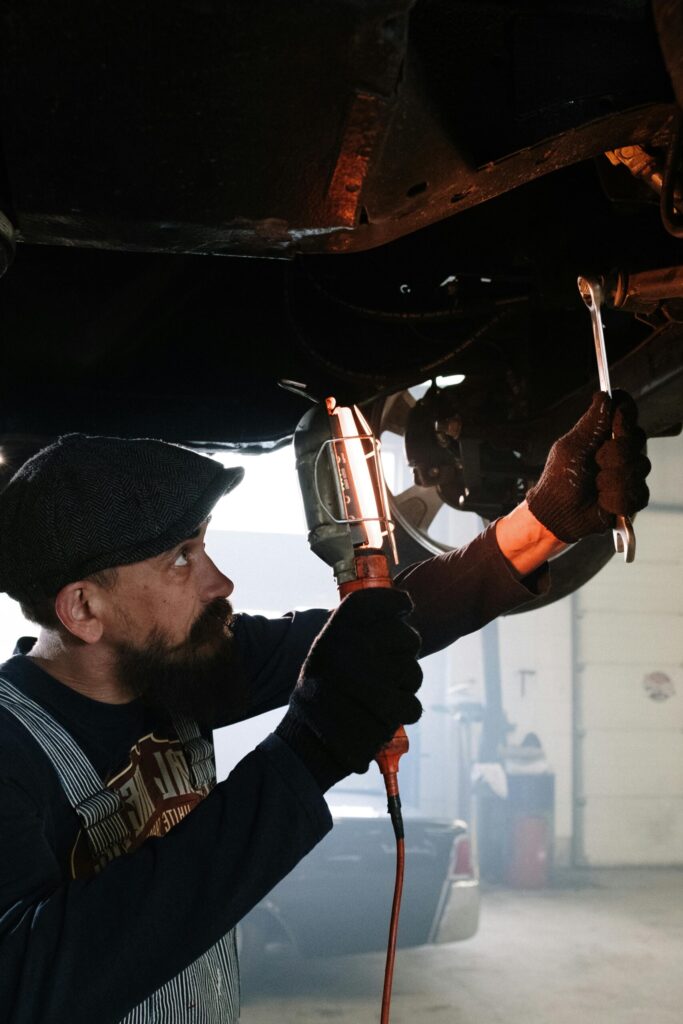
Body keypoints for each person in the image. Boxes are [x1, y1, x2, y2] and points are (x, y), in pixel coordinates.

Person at [0, 390, 650, 1023]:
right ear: (84, 608)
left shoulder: (183, 667)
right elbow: (34, 984)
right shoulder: (10, 746)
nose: (220, 581)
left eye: (203, 545)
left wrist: (544, 519)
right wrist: (308, 751)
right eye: (180, 559)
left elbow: (394, 622)